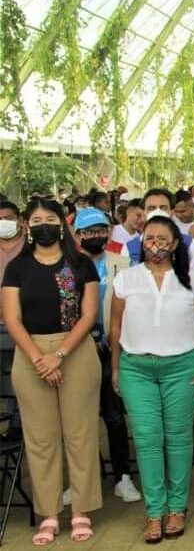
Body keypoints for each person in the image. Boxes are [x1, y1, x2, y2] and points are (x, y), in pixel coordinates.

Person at [108, 216, 194, 542]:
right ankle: (154, 512)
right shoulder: (126, 279)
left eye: (162, 238)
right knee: (147, 438)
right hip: (136, 368)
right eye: (149, 237)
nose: (155, 244)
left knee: (179, 437)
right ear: (141, 242)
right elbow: (115, 327)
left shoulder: (193, 280)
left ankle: (177, 509)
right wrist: (115, 368)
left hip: (183, 366)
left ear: (174, 244)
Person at [1, 199, 102, 544]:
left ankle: (81, 510)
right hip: (30, 353)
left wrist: (58, 355)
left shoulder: (82, 264)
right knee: (41, 438)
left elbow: (88, 316)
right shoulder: (17, 268)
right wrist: (39, 358)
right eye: (36, 219)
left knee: (80, 434)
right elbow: (11, 318)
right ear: (27, 226)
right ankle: (48, 513)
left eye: (50, 218)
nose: (43, 224)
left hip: (74, 351)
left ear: (61, 223)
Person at [73, 209, 142, 504]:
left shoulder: (123, 265)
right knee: (79, 419)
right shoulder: (67, 266)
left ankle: (123, 478)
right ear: (77, 235)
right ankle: (80, 482)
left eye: (100, 230)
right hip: (78, 350)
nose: (94, 236)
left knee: (115, 418)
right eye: (88, 232)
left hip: (114, 350)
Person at [0, 201, 24, 442]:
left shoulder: (30, 246)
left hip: (22, 322)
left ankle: (17, 424)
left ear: (19, 219)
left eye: (8, 217)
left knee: (19, 374)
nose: (4, 223)